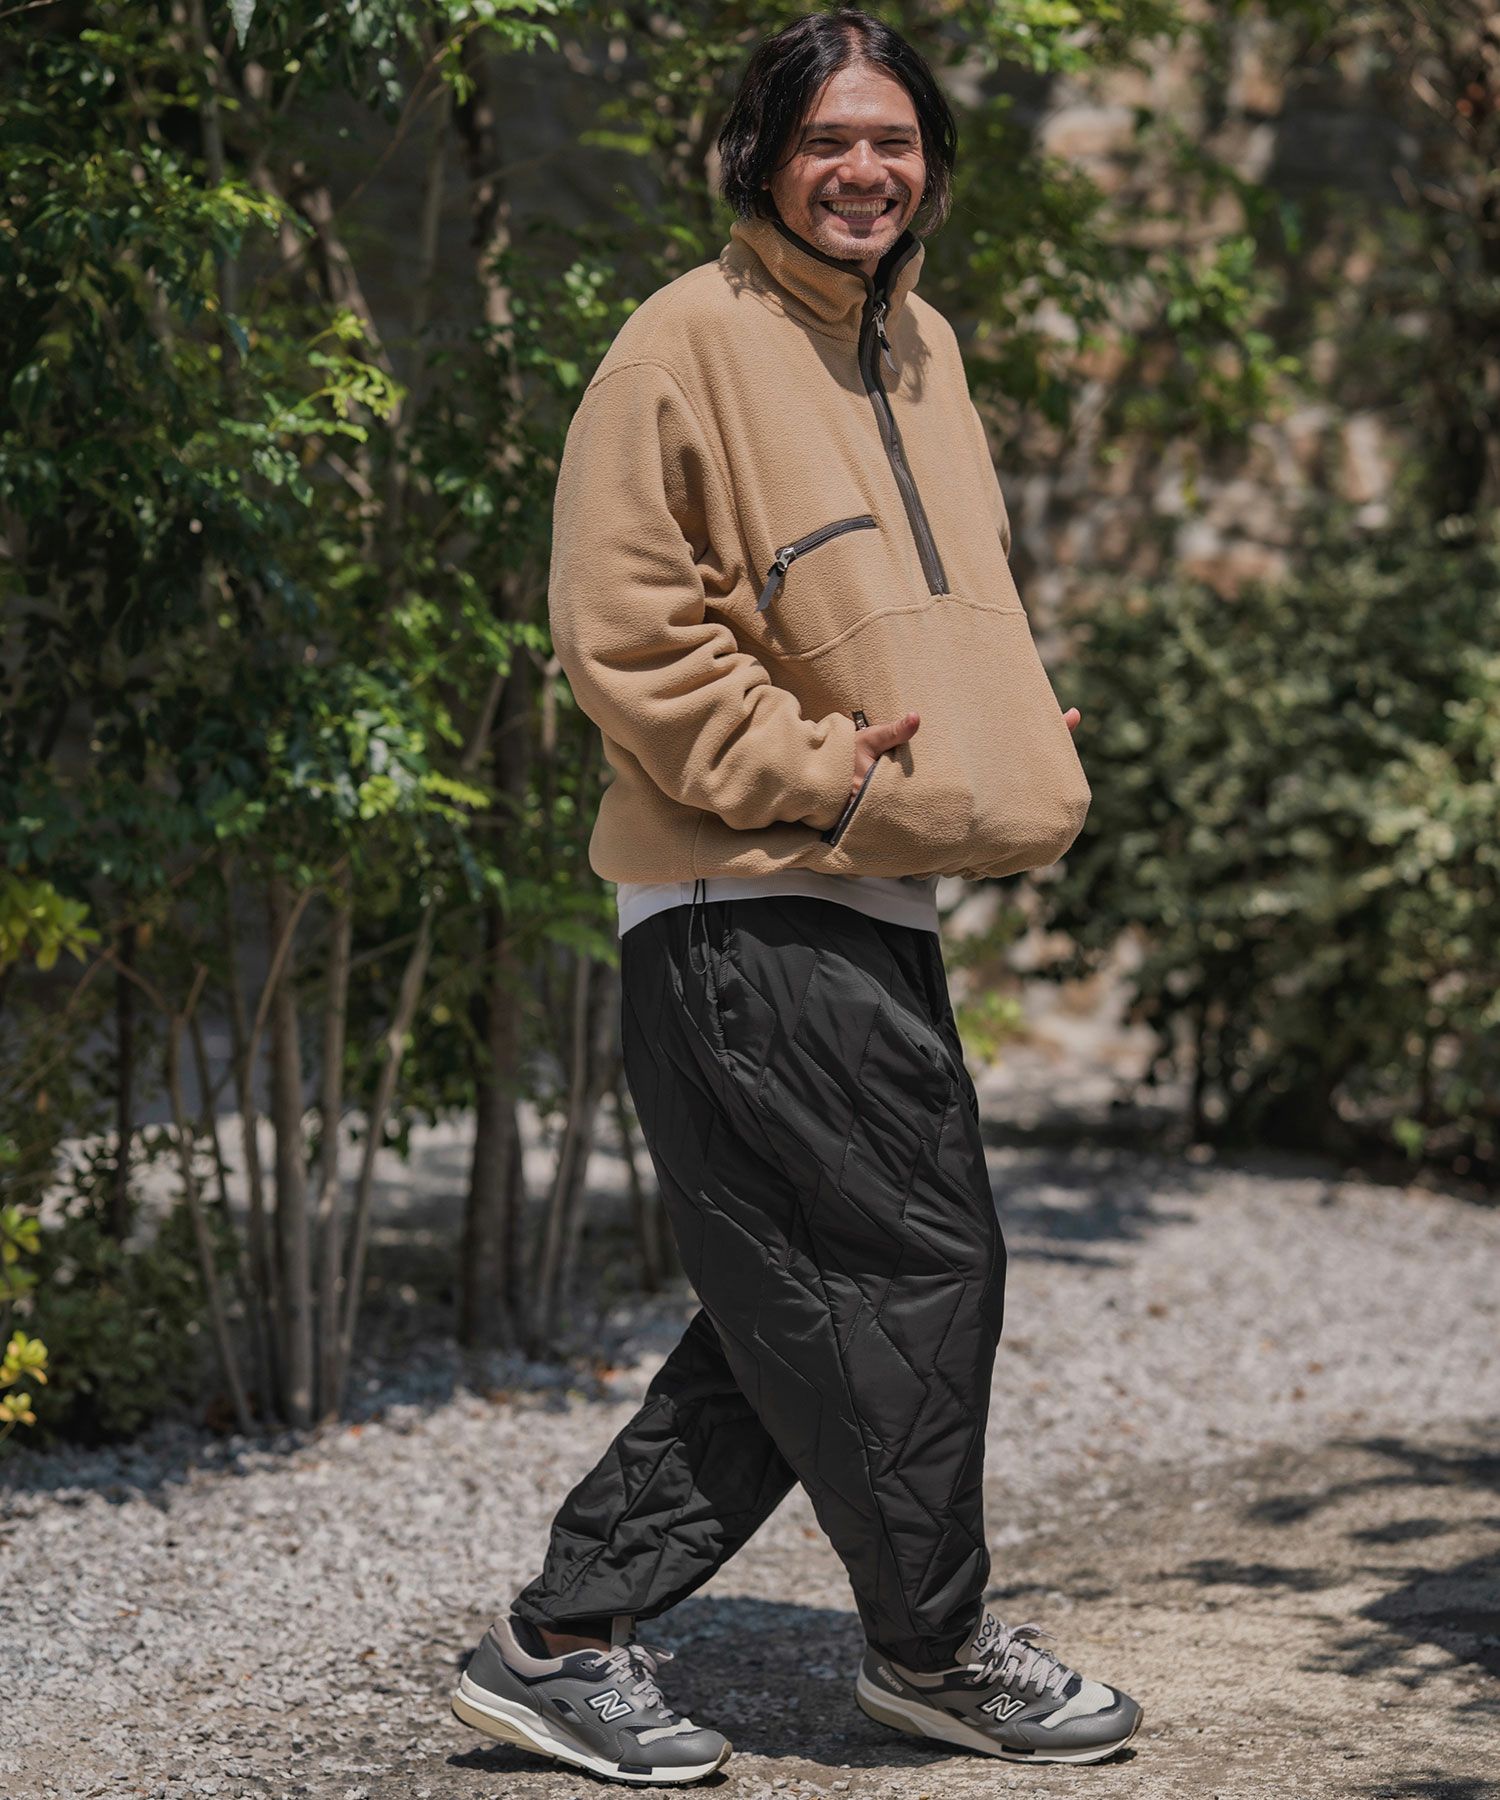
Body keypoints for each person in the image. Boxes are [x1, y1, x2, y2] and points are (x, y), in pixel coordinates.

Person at [450, 8, 1142, 1785]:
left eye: (893, 140)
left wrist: (993, 738)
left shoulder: (924, 350)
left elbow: (921, 619)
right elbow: (628, 633)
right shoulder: (681, 341)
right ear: (756, 158)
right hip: (739, 896)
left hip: (862, 899)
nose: (863, 170)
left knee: (799, 1294)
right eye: (827, 139)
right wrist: (827, 777)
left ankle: (562, 1638)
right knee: (920, 1264)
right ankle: (931, 1650)